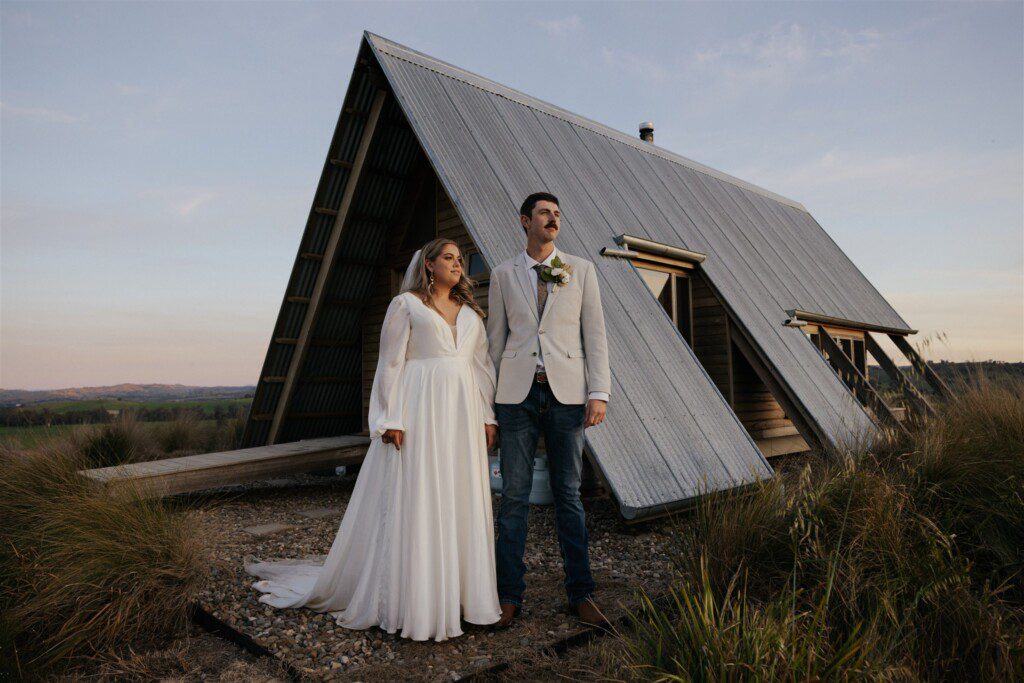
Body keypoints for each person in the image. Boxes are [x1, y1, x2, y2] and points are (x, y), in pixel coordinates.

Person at [244, 238, 501, 642]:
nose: (458, 264)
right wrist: (389, 418)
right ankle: (417, 600)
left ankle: (463, 597)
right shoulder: (406, 305)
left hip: (462, 413)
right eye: (449, 258)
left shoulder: (471, 314)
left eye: (460, 259)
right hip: (420, 410)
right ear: (429, 265)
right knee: (420, 496)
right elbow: (390, 362)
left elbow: (482, 366)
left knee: (459, 495)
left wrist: (487, 416)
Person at [486, 192, 612, 628]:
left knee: (569, 497)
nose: (553, 219)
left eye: (557, 213)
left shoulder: (581, 270)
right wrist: (489, 407)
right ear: (525, 221)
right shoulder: (502, 275)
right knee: (514, 497)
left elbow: (594, 335)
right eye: (545, 213)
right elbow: (495, 342)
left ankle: (581, 594)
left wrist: (600, 392)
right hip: (516, 397)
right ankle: (508, 598)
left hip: (568, 396)